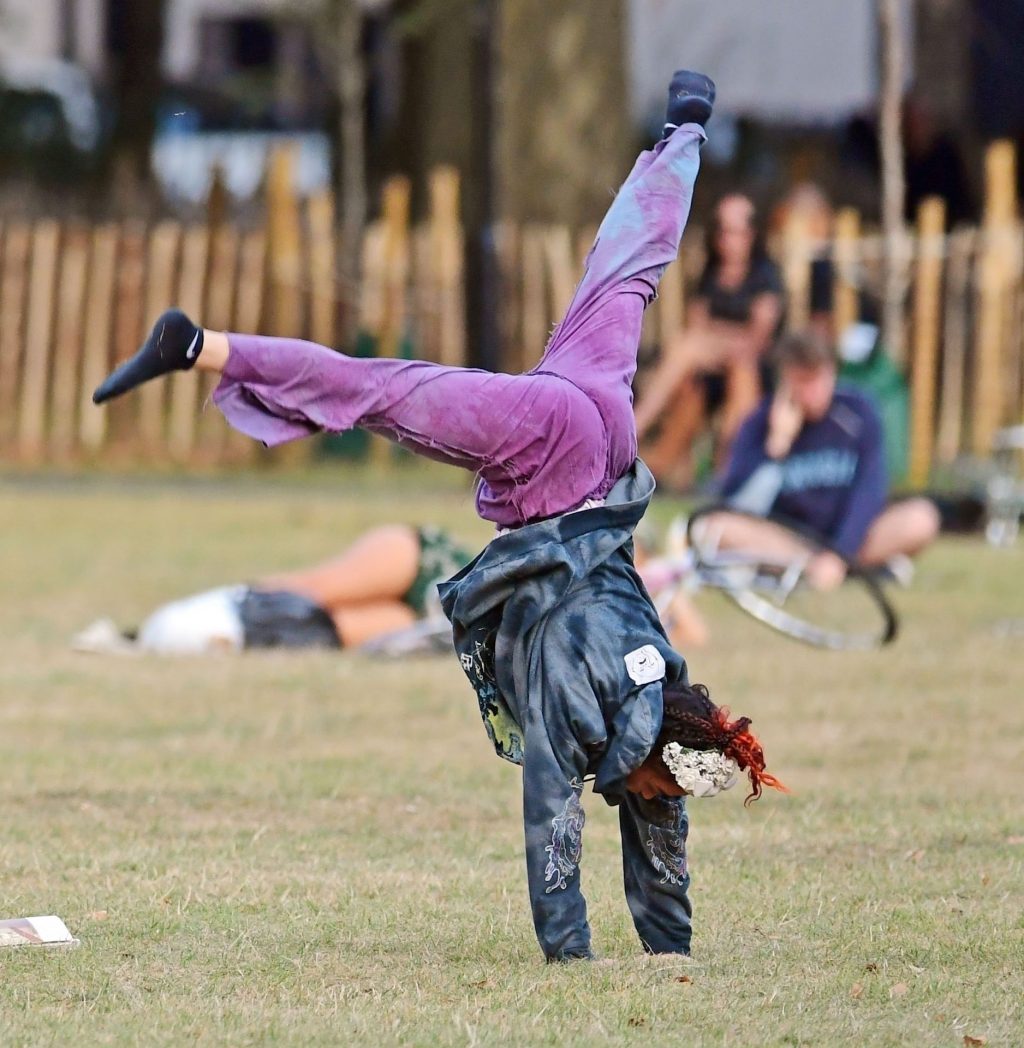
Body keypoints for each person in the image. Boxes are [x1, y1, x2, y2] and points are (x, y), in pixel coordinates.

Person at [92, 71, 785, 963]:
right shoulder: (589, 691)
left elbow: (660, 837)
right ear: (660, 750)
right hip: (559, 447)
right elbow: (552, 810)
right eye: (668, 787)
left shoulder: (668, 691)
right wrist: (571, 955)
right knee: (384, 390)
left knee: (627, 272)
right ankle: (196, 344)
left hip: (608, 439)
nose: (665, 802)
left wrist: (671, 954)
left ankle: (685, 127)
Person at [713, 330, 940, 590]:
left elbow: (870, 491)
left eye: (817, 379)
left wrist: (840, 553)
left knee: (921, 518)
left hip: (852, 537)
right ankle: (833, 569)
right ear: (784, 382)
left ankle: (834, 568)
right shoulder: (760, 422)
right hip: (788, 539)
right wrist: (776, 447)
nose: (812, 392)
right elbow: (737, 503)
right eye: (801, 382)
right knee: (717, 527)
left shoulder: (858, 412)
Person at [72, 524, 475, 655]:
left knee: (326, 629)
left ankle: (209, 630)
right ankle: (209, 610)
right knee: (315, 591)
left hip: (433, 623)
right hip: (434, 568)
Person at [634, 193, 784, 489]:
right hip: (710, 371)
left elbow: (757, 340)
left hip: (752, 372)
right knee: (690, 377)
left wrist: (714, 339)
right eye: (722, 231)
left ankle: (726, 466)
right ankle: (660, 463)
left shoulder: (765, 276)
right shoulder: (711, 274)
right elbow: (697, 325)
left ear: (752, 234)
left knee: (732, 367)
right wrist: (721, 340)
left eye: (736, 231)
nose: (727, 240)